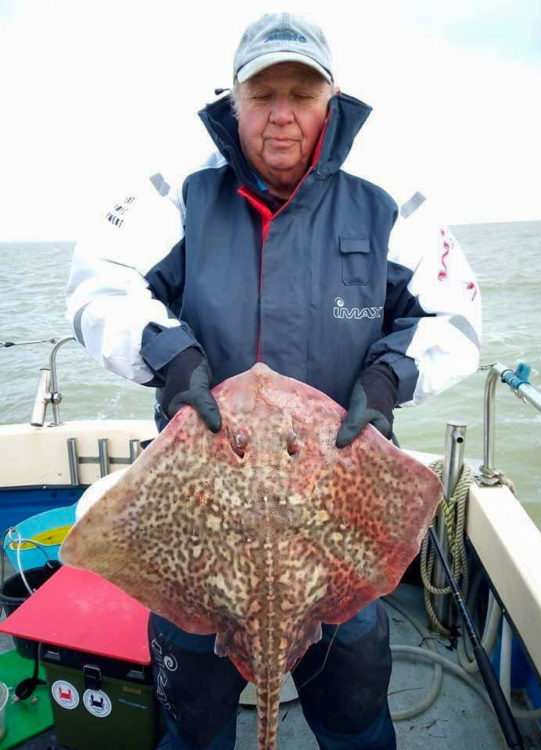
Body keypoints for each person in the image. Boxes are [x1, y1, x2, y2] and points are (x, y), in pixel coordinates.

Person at [66, 12, 481, 750]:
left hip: (337, 504)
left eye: (300, 92)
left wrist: (387, 379)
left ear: (331, 99)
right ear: (233, 102)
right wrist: (171, 354)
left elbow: (453, 317)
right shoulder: (179, 197)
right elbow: (101, 284)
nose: (281, 114)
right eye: (262, 95)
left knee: (354, 716)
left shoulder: (385, 207)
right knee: (192, 724)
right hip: (199, 502)